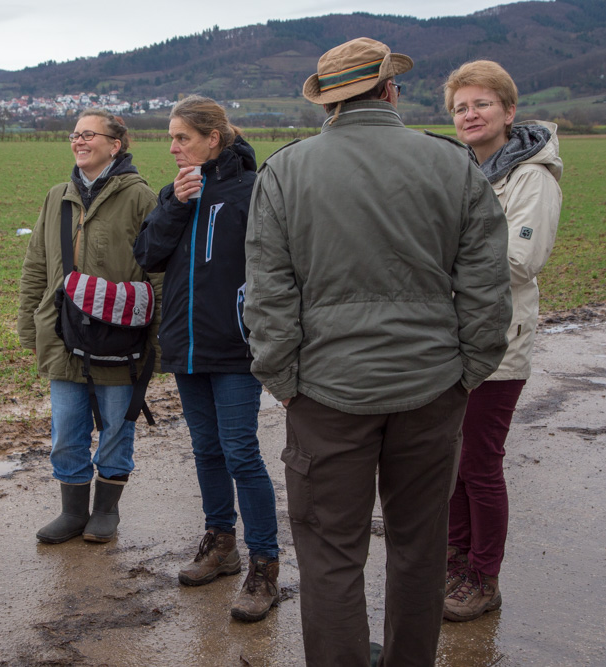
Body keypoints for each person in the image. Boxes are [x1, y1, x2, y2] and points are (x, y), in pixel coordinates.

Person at [244, 37, 512, 666]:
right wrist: (468, 371)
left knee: (330, 553)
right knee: (421, 549)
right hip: (432, 388)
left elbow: (268, 294)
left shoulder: (286, 170)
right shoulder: (453, 164)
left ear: (329, 102)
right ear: (391, 90)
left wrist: (283, 379)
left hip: (324, 393)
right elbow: (487, 288)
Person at [133, 96, 279, 622]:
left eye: (182, 138)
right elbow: (147, 256)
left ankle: (265, 566)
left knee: (241, 451)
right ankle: (220, 543)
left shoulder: (253, 189)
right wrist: (175, 203)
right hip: (186, 345)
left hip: (235, 345)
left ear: (213, 138)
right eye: (170, 138)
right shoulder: (177, 191)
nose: (173, 147)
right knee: (206, 449)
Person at [441, 60, 563, 622]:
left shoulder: (530, 177)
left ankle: (483, 577)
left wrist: (441, 261)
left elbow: (521, 258)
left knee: (481, 462)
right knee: (453, 460)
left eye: (481, 103)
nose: (470, 114)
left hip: (497, 338)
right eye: (461, 106)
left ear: (508, 112)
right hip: (450, 337)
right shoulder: (459, 170)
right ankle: (455, 560)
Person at [18, 110, 159, 545]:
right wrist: (30, 324)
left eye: (89, 135)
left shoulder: (141, 199)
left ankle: (106, 512)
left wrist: (155, 340)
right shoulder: (57, 196)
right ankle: (72, 512)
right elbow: (37, 265)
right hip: (63, 337)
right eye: (74, 135)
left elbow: (158, 274)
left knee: (117, 427)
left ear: (115, 145)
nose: (79, 141)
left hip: (120, 340)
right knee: (65, 431)